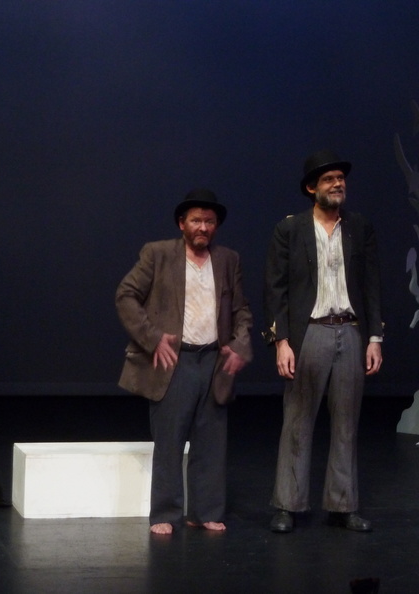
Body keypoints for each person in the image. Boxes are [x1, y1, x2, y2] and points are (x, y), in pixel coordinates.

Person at [116, 188, 253, 535]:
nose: (203, 227)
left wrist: (240, 344)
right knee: (170, 440)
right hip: (175, 360)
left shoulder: (228, 259)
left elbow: (241, 310)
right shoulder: (158, 254)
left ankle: (205, 511)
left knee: (211, 441)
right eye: (196, 220)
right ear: (182, 223)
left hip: (213, 359)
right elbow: (126, 295)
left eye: (209, 221)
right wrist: (152, 338)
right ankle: (165, 513)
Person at [263, 150, 384, 533]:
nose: (337, 184)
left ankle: (342, 505)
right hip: (309, 331)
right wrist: (281, 341)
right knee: (298, 420)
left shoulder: (359, 227)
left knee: (347, 422)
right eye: (329, 179)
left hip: (350, 329)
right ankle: (288, 504)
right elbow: (275, 288)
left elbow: (371, 285)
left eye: (340, 178)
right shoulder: (291, 229)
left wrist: (375, 337)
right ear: (311, 188)